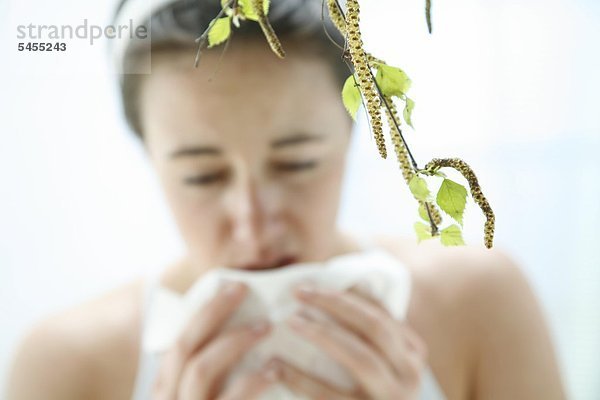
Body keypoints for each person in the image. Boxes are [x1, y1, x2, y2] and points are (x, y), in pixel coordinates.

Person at [5, 0, 567, 399]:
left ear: (354, 134)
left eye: (297, 164)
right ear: (149, 157)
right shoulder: (68, 364)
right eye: (201, 176)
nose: (254, 224)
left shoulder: (478, 304)